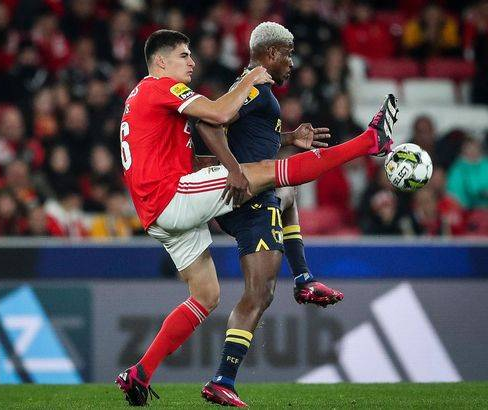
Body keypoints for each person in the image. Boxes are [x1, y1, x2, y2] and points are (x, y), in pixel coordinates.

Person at [115, 29, 397, 406]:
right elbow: (217, 115)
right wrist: (250, 78)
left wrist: (265, 151)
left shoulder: (141, 99)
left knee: (206, 296)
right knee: (271, 174)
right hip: (171, 197)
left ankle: (140, 372)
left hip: (157, 211)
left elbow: (193, 159)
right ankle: (368, 142)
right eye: (184, 55)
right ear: (161, 62)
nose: (192, 62)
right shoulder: (160, 87)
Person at [191, 22, 344, 407]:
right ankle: (222, 379)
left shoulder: (258, 90)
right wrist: (234, 171)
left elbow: (250, 140)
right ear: (272, 53)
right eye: (288, 54)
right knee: (259, 293)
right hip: (250, 201)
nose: (291, 63)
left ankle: (304, 278)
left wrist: (289, 139)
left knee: (289, 193)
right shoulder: (255, 87)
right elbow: (209, 122)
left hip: (255, 196)